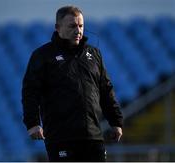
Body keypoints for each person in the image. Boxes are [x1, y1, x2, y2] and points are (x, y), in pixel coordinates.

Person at [22, 5, 123, 162]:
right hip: (61, 137)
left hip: (93, 136)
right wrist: (33, 123)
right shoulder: (42, 56)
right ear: (58, 27)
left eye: (81, 26)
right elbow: (30, 92)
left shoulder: (94, 54)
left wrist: (116, 121)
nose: (78, 31)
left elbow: (106, 90)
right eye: (72, 26)